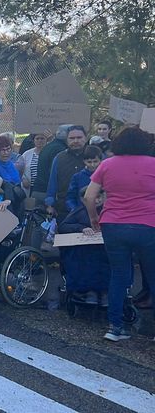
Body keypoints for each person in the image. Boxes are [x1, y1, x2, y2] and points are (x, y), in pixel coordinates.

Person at [83, 126, 155, 342]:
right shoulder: (153, 164)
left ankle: (115, 327)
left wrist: (94, 218)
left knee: (118, 275)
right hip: (147, 225)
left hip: (113, 224)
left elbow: (89, 196)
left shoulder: (107, 164)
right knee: (152, 276)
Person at [59, 186, 109, 306]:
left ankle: (104, 291)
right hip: (83, 250)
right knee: (85, 260)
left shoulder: (108, 211)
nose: (96, 201)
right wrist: (81, 228)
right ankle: (89, 291)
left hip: (103, 249)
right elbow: (63, 227)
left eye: (99, 197)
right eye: (94, 198)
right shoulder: (79, 211)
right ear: (83, 200)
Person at [45, 125, 87, 221]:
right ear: (66, 140)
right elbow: (52, 184)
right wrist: (50, 205)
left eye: (79, 137)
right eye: (72, 138)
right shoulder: (59, 158)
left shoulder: (95, 157)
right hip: (64, 211)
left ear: (86, 138)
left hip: (91, 210)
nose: (76, 141)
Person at [32, 124, 72, 200]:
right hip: (49, 193)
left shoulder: (48, 147)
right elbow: (57, 173)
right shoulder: (60, 150)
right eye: (72, 137)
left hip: (39, 189)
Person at [65, 146, 101, 212]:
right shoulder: (77, 177)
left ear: (100, 160)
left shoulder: (105, 176)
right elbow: (70, 197)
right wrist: (74, 210)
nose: (92, 165)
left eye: (95, 161)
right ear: (84, 161)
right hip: (82, 213)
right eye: (89, 162)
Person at [18, 133, 47, 198]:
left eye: (42, 138)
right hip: (30, 187)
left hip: (45, 188)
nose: (40, 140)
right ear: (34, 140)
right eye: (37, 139)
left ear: (46, 140)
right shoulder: (26, 154)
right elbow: (18, 169)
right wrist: (23, 179)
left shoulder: (50, 152)